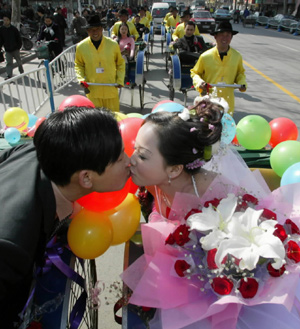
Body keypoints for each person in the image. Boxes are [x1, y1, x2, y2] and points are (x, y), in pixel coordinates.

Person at [123, 98, 300, 329]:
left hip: (224, 289)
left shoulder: (214, 194)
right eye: (134, 148)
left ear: (175, 169)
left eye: (143, 155)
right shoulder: (151, 180)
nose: (131, 160)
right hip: (183, 274)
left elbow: (248, 242)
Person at [0, 106, 131, 328]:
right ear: (86, 178)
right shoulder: (11, 246)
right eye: (120, 158)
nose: (130, 161)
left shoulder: (41, 151)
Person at [191, 21, 247, 115]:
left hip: (227, 100)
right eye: (221, 34)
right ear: (215, 36)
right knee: (208, 126)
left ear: (231, 37)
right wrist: (200, 83)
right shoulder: (205, 56)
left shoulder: (237, 56)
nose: (225, 38)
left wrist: (242, 83)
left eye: (228, 35)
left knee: (226, 126)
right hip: (209, 99)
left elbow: (240, 73)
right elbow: (195, 73)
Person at [75, 15, 125, 112]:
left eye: (97, 29)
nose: (95, 32)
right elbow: (79, 65)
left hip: (110, 89)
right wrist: (81, 79)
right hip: (93, 91)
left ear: (102, 29)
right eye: (91, 30)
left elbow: (120, 63)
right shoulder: (81, 47)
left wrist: (120, 79)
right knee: (95, 121)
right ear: (87, 31)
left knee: (112, 119)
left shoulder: (113, 45)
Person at [0, 13, 24, 80]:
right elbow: (1, 40)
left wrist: (18, 46)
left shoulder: (14, 29)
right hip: (7, 49)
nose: (5, 21)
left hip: (15, 48)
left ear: (9, 21)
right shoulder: (1, 29)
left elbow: (18, 38)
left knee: (19, 61)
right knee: (9, 62)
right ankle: (9, 75)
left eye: (7, 20)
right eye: (4, 20)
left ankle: (21, 72)